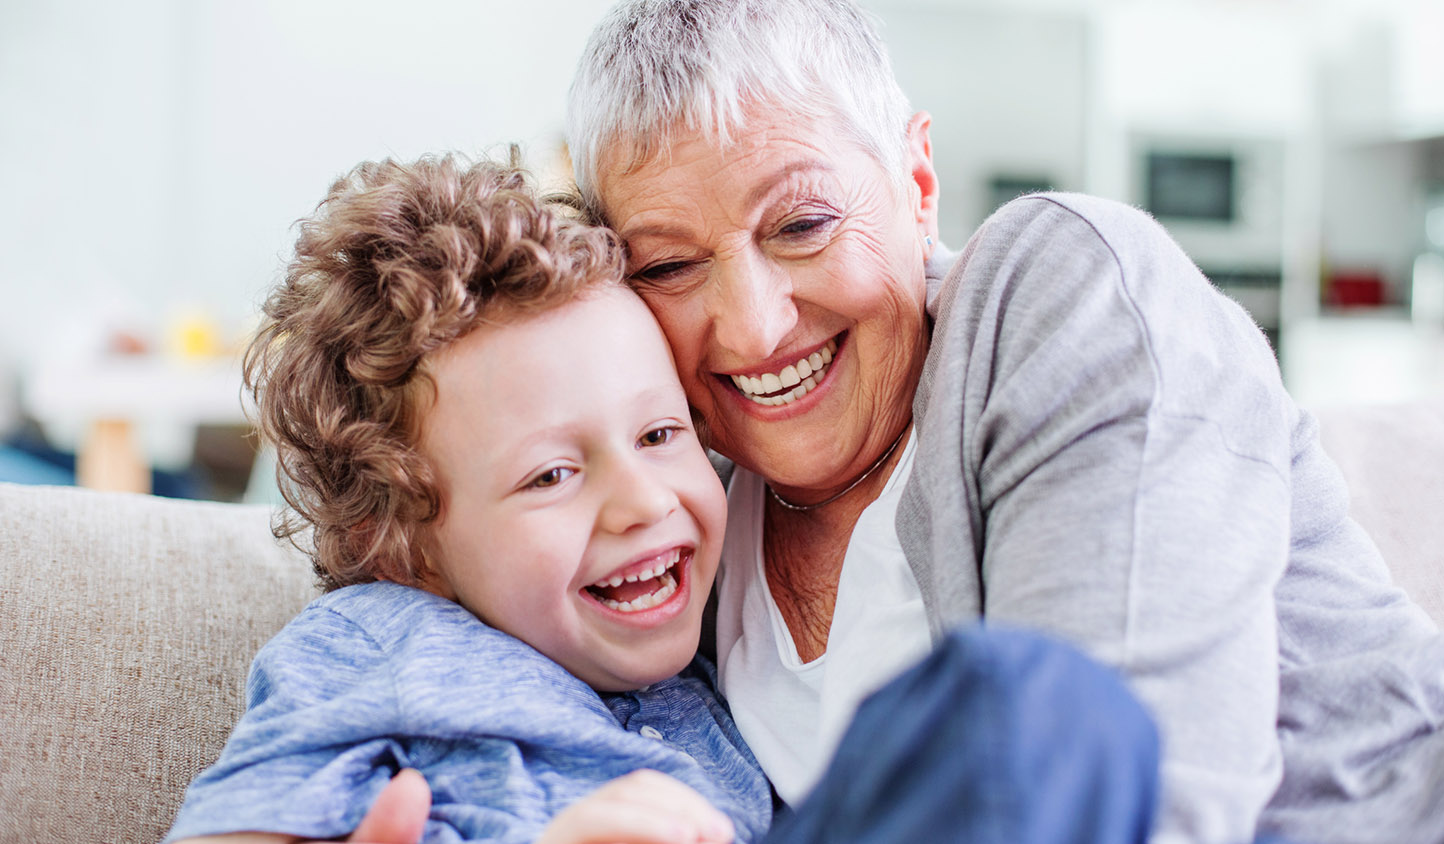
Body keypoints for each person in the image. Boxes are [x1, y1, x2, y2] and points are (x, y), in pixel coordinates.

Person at [556, 1, 1444, 842]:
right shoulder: (688, 515)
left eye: (802, 225)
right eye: (669, 268)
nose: (755, 325)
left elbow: (1132, 788)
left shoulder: (1063, 285)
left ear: (918, 184)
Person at [165, 154, 1162, 844]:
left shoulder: (712, 664)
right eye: (552, 475)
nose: (644, 501)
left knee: (1035, 704)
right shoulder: (375, 641)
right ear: (398, 543)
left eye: (660, 434)